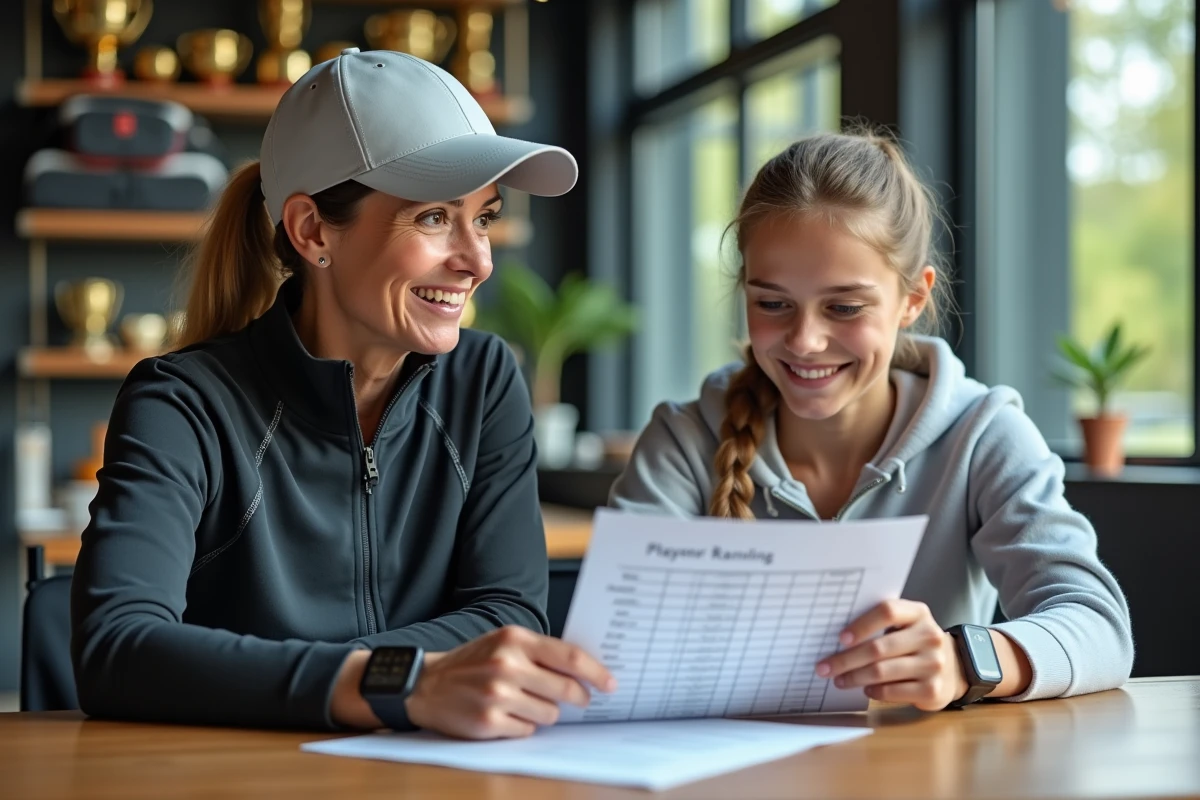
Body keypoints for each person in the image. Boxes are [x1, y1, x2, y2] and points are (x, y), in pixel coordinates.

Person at [71, 48, 614, 739]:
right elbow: (117, 649)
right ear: (312, 231)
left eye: (482, 217)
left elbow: (506, 612)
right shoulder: (181, 402)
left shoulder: (482, 380)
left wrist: (344, 679)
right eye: (433, 219)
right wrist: (395, 683)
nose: (479, 260)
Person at [609, 130, 1133, 710]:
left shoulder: (982, 433)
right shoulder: (685, 441)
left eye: (844, 307)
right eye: (772, 303)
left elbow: (1099, 628)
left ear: (913, 298)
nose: (805, 342)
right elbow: (614, 642)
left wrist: (966, 662)